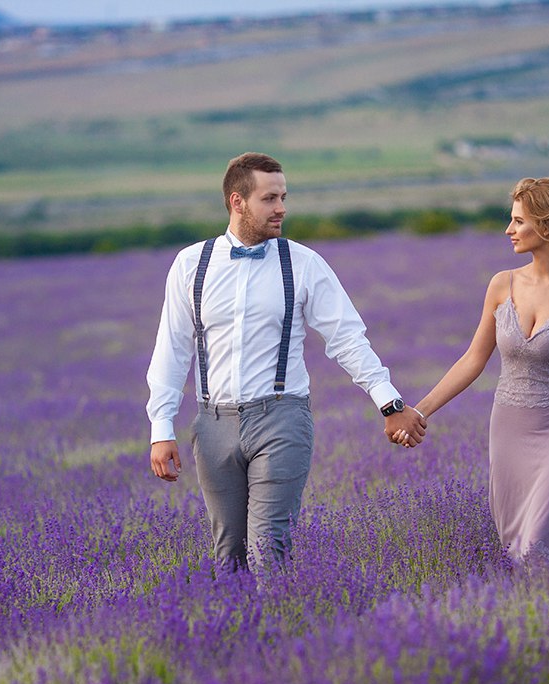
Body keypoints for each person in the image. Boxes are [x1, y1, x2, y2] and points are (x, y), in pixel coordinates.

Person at [147, 152, 426, 571]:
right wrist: (161, 427)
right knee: (229, 556)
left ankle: (281, 630)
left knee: (269, 550)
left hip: (281, 419)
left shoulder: (304, 263)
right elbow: (171, 348)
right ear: (237, 202)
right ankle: (237, 635)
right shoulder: (191, 265)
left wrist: (389, 403)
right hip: (212, 424)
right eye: (270, 198)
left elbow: (347, 338)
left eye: (283, 196)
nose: (282, 208)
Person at [399, 177, 549, 562]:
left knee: (540, 541)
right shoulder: (501, 284)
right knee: (518, 545)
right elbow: (474, 359)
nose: (509, 230)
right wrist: (418, 411)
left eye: (519, 221)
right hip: (509, 430)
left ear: (547, 224)